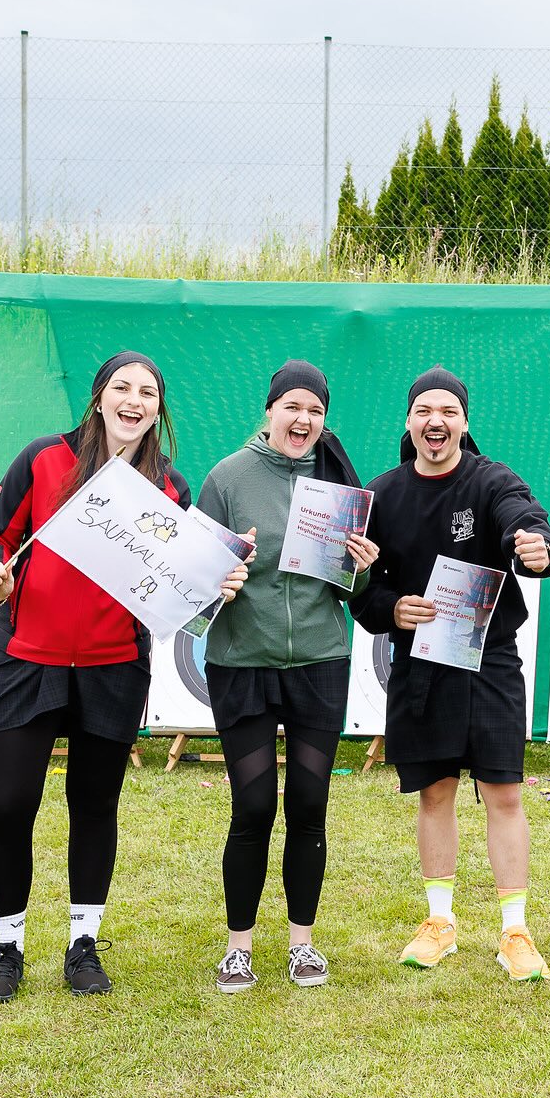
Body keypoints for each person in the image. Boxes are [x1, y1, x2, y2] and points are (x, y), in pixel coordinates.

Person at [0, 350, 247, 1003]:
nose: (134, 399)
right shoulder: (43, 459)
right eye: (121, 387)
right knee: (9, 807)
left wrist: (222, 581)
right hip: (25, 662)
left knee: (95, 806)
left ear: (157, 410)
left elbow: (185, 585)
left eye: (148, 392)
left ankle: (83, 945)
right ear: (98, 398)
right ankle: (5, 950)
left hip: (113, 669)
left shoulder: (170, 488)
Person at [350, 367, 550, 982]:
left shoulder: (492, 479)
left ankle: (515, 930)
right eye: (423, 411)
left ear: (464, 422)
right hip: (420, 662)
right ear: (409, 422)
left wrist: (535, 545)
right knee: (434, 791)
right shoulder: (382, 494)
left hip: (490, 659)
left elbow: (525, 519)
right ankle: (439, 923)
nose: (435, 421)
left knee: (504, 792)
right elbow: (359, 588)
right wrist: (391, 606)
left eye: (447, 410)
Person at [195, 360, 376, 994]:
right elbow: (190, 587)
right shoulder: (227, 478)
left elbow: (357, 591)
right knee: (251, 807)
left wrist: (364, 565)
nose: (303, 420)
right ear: (269, 410)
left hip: (320, 664)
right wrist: (222, 574)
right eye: (292, 406)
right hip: (242, 664)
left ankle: (301, 944)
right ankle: (238, 948)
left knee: (309, 805)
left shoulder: (339, 480)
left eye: (316, 410)